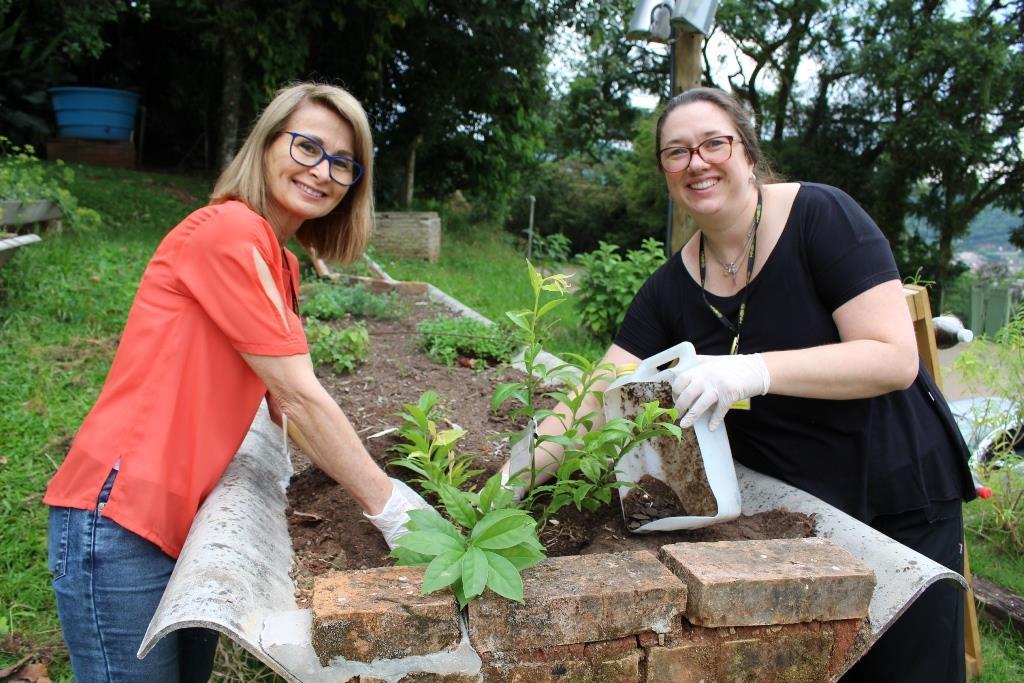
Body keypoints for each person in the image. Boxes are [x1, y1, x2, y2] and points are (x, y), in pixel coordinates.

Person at [502, 87, 976, 683]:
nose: (696, 162)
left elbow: (891, 358)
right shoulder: (671, 288)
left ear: (747, 152)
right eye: (676, 153)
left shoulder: (821, 217)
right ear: (666, 173)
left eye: (713, 143)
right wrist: (507, 482)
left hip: (895, 490)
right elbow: (598, 397)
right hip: (799, 510)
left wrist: (753, 369)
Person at [43, 82, 432, 682]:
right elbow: (301, 397)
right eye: (306, 147)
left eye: (343, 163)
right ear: (266, 143)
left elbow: (282, 402)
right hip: (121, 515)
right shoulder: (227, 232)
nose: (322, 171)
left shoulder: (280, 259)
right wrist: (391, 508)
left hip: (184, 513)